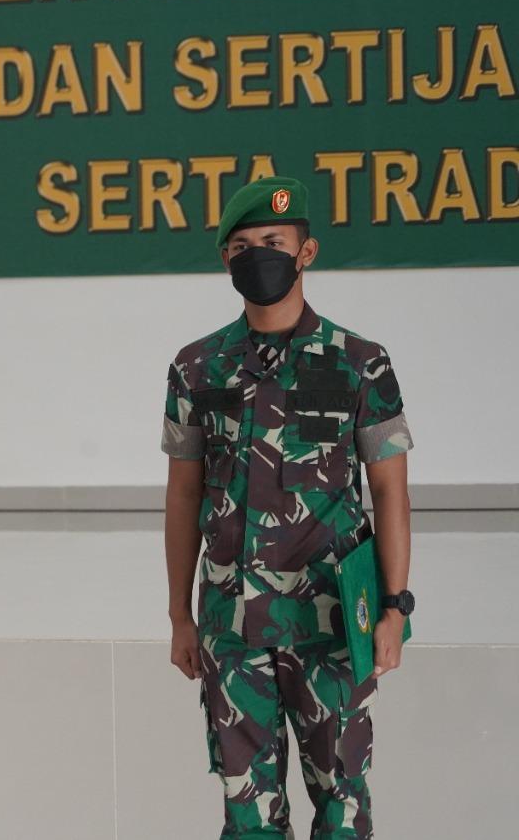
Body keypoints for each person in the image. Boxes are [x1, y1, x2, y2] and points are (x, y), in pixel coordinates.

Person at [160, 177, 414, 839]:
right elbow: (183, 494)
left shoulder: (362, 363)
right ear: (225, 260)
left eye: (274, 242)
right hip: (231, 625)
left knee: (342, 804)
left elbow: (390, 491)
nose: (259, 256)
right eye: (242, 246)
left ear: (306, 252)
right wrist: (180, 614)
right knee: (248, 815)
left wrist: (395, 606)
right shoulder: (196, 367)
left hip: (331, 625)